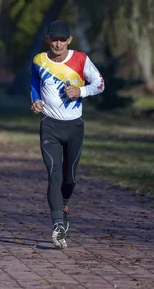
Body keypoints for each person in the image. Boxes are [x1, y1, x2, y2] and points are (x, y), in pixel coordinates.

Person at [30, 19, 105, 249]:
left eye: (63, 40)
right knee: (54, 175)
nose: (58, 44)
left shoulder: (81, 59)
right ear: (48, 40)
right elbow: (34, 81)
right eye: (54, 39)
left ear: (69, 40)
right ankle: (58, 225)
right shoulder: (39, 61)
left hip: (74, 127)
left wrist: (80, 90)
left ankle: (64, 205)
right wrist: (34, 100)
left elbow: (100, 84)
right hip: (50, 125)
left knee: (69, 178)